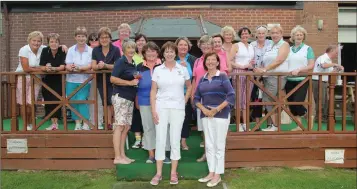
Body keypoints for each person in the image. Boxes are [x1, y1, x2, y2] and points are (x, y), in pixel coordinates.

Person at [149, 42, 192, 185]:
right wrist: (153, 110)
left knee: (175, 139)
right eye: (166, 52)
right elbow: (153, 90)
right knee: (160, 139)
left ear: (175, 53)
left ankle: (173, 173)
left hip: (178, 108)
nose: (169, 54)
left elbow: (189, 86)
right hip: (161, 108)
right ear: (163, 54)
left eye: (171, 51)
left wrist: (184, 101)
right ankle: (158, 173)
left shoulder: (183, 69)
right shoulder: (158, 70)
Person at [194, 52, 235, 187]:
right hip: (206, 115)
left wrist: (216, 109)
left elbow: (231, 96)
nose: (210, 62)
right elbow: (196, 99)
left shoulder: (222, 76)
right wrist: (204, 110)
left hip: (221, 115)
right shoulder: (202, 79)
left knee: (218, 145)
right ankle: (211, 172)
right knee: (210, 146)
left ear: (218, 62)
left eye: (213, 60)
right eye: (208, 60)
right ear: (205, 63)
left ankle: (217, 175)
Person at [254, 24, 290, 132]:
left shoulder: (284, 44)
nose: (274, 35)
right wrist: (259, 70)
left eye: (277, 33)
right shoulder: (271, 45)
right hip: (267, 77)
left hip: (276, 77)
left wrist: (265, 69)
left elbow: (279, 60)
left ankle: (275, 125)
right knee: (271, 100)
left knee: (267, 99)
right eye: (272, 33)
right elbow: (266, 60)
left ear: (281, 34)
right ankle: (273, 125)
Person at [110, 40, 138, 164]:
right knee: (119, 126)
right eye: (129, 48)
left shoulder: (133, 63)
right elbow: (113, 78)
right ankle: (117, 157)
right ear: (124, 49)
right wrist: (129, 83)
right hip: (120, 97)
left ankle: (122, 155)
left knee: (126, 127)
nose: (131, 50)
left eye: (133, 48)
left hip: (129, 98)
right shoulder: (121, 62)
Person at [286, 25, 316, 131]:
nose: (299, 36)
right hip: (289, 80)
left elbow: (311, 65)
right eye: (297, 34)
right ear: (293, 37)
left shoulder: (308, 49)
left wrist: (299, 70)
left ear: (304, 37)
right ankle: (299, 126)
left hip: (302, 79)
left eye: (301, 34)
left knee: (298, 102)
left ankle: (307, 115)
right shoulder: (288, 49)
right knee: (291, 105)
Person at [15, 31, 46, 130]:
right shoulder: (24, 49)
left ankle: (32, 124)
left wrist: (63, 46)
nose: (36, 43)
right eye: (34, 41)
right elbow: (26, 68)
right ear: (29, 40)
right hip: (23, 77)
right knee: (23, 102)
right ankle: (26, 124)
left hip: (36, 78)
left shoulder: (44, 49)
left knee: (31, 102)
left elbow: (54, 47)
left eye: (39, 41)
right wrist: (41, 69)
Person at [92, 27, 121, 130]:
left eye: (106, 37)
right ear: (99, 39)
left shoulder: (116, 49)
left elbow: (118, 65)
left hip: (113, 80)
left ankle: (114, 122)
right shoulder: (95, 50)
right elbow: (93, 66)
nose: (104, 39)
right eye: (102, 37)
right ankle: (108, 122)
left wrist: (105, 66)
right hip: (101, 80)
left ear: (110, 38)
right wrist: (98, 66)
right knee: (105, 102)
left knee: (112, 101)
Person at [137, 41, 161, 163]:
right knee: (148, 127)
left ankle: (161, 154)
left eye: (153, 51)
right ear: (144, 54)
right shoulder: (139, 67)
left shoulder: (163, 66)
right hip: (144, 100)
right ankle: (151, 154)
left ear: (157, 53)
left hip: (161, 102)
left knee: (161, 127)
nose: (151, 53)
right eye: (148, 51)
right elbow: (135, 85)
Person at [65, 26, 93, 130]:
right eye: (79, 36)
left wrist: (80, 68)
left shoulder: (90, 50)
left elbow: (90, 65)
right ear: (75, 37)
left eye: (83, 36)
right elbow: (67, 64)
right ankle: (77, 123)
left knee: (81, 100)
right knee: (72, 101)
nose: (81, 38)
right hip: (71, 80)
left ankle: (86, 122)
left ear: (86, 38)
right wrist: (70, 67)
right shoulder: (71, 49)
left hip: (85, 80)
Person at [191, 35, 213, 162]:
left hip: (212, 97)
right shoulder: (198, 61)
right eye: (203, 44)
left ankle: (213, 154)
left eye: (208, 44)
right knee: (204, 128)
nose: (205, 46)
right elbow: (195, 79)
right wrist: (193, 95)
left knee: (212, 127)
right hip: (200, 98)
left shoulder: (215, 59)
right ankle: (206, 154)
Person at [228, 27, 255, 132]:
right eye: (243, 34)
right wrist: (241, 66)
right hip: (238, 72)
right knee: (238, 98)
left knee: (246, 99)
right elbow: (230, 60)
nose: (245, 35)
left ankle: (245, 123)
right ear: (240, 35)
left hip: (249, 73)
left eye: (246, 33)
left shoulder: (252, 46)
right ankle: (238, 123)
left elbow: (253, 60)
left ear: (249, 35)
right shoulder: (236, 45)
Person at [39, 33, 66, 130]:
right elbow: (41, 66)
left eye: (56, 42)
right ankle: (53, 123)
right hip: (47, 80)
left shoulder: (62, 50)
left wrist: (55, 69)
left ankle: (56, 123)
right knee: (48, 101)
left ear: (59, 43)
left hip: (59, 80)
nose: (54, 44)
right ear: (48, 43)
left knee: (58, 101)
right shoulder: (45, 50)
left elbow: (63, 66)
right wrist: (46, 68)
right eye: (51, 42)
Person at [175, 36, 197, 150]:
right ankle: (174, 141)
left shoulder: (193, 60)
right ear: (176, 47)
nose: (183, 47)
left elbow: (195, 78)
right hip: (174, 94)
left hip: (187, 93)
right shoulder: (171, 58)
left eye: (185, 45)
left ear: (188, 47)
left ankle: (183, 141)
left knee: (186, 117)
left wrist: (191, 95)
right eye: (180, 45)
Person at [312, 45, 343, 123]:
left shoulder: (329, 60)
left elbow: (331, 72)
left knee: (324, 100)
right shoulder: (323, 57)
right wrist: (335, 64)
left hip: (324, 81)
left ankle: (323, 117)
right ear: (331, 51)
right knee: (321, 100)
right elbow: (323, 65)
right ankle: (319, 118)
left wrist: (338, 69)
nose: (336, 55)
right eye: (336, 53)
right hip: (318, 81)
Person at [250, 25, 272, 128]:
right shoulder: (252, 45)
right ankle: (258, 124)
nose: (261, 35)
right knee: (256, 100)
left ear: (266, 34)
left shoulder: (271, 44)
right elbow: (249, 59)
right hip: (255, 75)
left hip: (268, 74)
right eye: (259, 33)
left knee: (269, 99)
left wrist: (264, 70)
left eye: (263, 33)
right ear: (256, 34)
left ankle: (270, 124)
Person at [131, 33, 148, 149]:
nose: (141, 42)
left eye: (143, 40)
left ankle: (147, 139)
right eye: (139, 40)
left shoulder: (151, 56)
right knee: (137, 114)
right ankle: (138, 140)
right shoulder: (132, 56)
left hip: (149, 92)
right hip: (136, 89)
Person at [87, 32, 104, 129]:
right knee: (89, 101)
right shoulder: (87, 50)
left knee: (99, 101)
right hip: (85, 79)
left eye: (96, 40)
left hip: (97, 79)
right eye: (91, 41)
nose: (94, 43)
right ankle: (91, 122)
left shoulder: (100, 51)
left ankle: (99, 122)